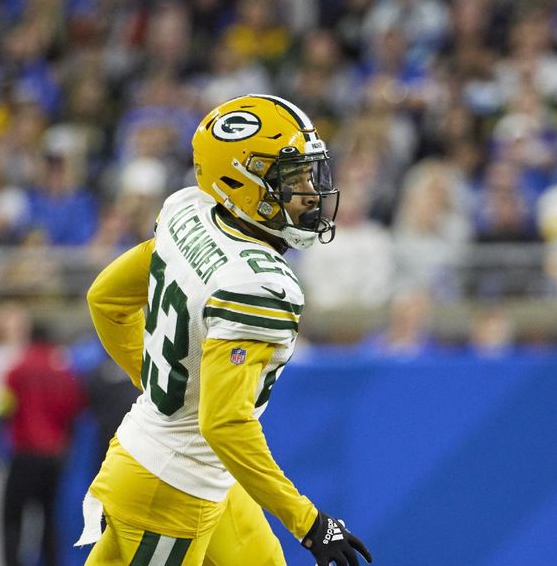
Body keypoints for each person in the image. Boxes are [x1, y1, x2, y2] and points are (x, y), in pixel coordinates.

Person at [80, 95, 372, 566]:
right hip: (171, 487)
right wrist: (311, 523)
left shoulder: (188, 212)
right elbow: (223, 423)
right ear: (241, 183)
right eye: (289, 179)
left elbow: (107, 300)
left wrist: (167, 388)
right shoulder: (257, 286)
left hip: (184, 464)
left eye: (307, 176)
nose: (310, 194)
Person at [0, 322, 87, 566]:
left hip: (24, 455)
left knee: (11, 519)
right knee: (49, 518)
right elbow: (74, 411)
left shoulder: (18, 368)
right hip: (53, 457)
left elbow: (3, 407)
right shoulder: (63, 372)